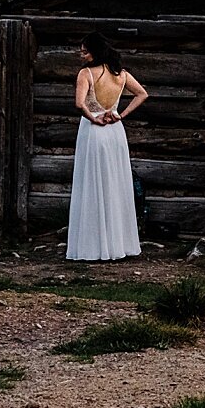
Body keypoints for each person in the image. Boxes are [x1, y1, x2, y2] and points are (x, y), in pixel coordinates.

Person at [67, 32, 148, 260]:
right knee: (114, 184)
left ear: (95, 51)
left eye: (85, 51)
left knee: (92, 184)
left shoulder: (86, 74)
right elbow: (142, 94)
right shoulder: (121, 75)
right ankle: (117, 245)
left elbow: (79, 103)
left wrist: (94, 118)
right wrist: (120, 115)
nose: (82, 55)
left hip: (94, 132)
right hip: (115, 132)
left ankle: (92, 246)